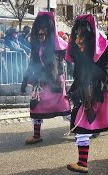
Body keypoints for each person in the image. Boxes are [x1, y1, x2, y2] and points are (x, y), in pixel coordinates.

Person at [65, 14, 108, 174]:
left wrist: (87, 60)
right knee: (81, 127)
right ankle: (82, 163)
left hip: (103, 94)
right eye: (76, 35)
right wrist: (73, 89)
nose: (77, 40)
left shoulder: (106, 47)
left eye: (82, 36)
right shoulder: (79, 51)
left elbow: (103, 73)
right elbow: (78, 74)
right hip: (85, 94)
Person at [20, 11, 71, 144]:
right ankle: (37, 136)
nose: (40, 32)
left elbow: (70, 60)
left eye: (44, 29)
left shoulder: (58, 46)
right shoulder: (36, 47)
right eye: (39, 29)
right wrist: (25, 80)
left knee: (64, 108)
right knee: (35, 107)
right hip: (39, 83)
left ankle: (80, 129)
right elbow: (32, 63)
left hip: (55, 82)